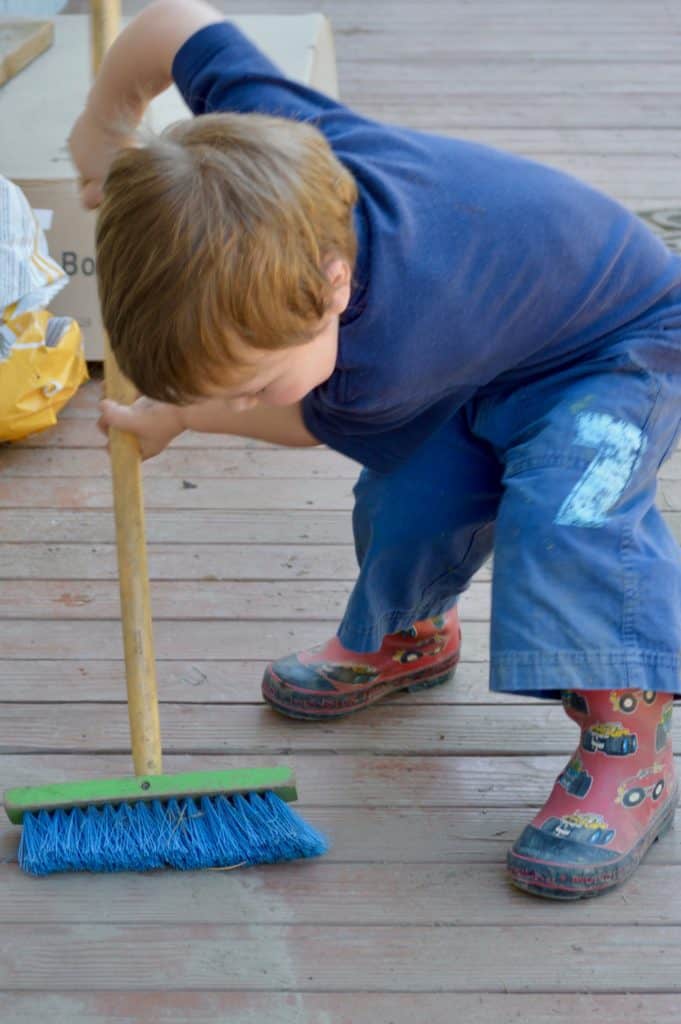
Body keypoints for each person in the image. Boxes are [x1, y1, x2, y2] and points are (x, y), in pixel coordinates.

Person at [70, 0, 681, 899]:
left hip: (614, 339)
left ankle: (630, 745)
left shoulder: (383, 360)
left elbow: (301, 418)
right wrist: (104, 124)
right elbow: (170, 24)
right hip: (494, 331)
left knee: (565, 513)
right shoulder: (261, 153)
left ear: (332, 285)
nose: (232, 398)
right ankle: (408, 635)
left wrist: (184, 418)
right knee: (411, 498)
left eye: (247, 378)